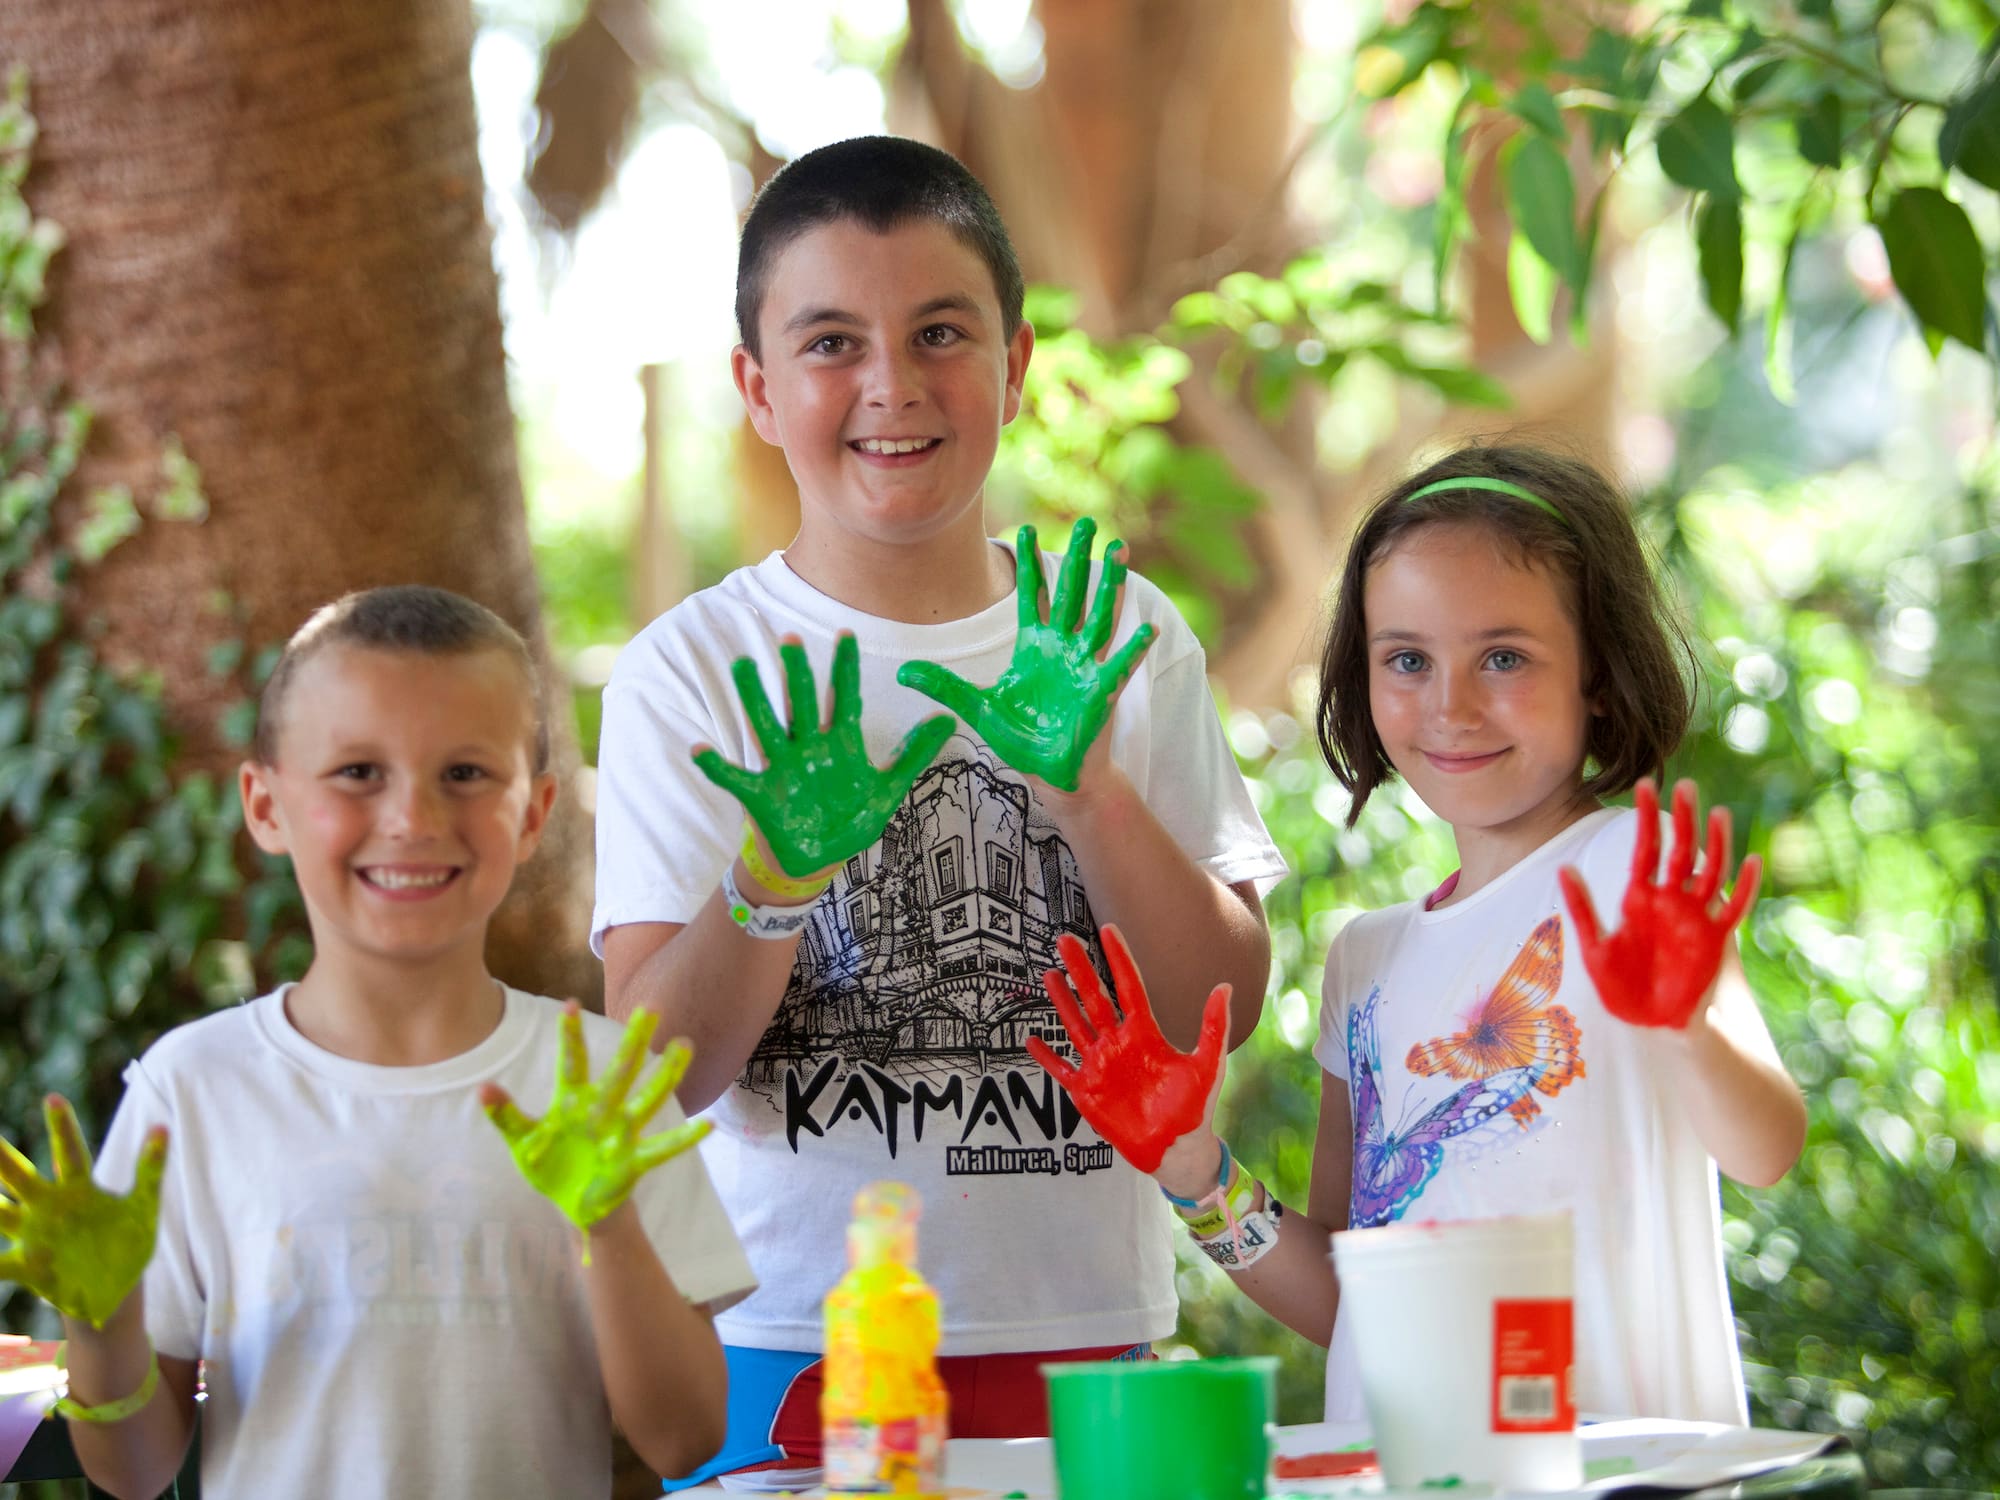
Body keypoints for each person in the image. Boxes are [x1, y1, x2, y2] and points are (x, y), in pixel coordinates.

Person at [592, 135, 1288, 1487]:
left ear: (1015, 364)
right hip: (784, 1350)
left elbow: (1223, 1006)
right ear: (756, 387)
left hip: (1089, 1348)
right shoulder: (692, 670)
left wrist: (1089, 800)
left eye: (939, 333)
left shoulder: (1116, 635)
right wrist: (771, 883)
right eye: (831, 343)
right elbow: (655, 1075)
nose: (891, 386)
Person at [1031, 445, 1807, 1425]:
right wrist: (1192, 1172)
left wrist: (1689, 1026)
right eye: (1407, 660)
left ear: (1599, 675)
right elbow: (1352, 1301)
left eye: (1503, 657)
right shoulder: (1365, 958)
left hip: (1612, 1473)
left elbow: (1765, 1149)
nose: (1450, 705)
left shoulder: (1627, 874)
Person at [0, 586, 756, 1499]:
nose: (412, 818)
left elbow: (683, 1440)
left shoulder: (601, 1086)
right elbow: (130, 1472)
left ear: (534, 812)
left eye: (465, 773)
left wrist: (612, 1227)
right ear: (265, 804)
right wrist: (102, 1322)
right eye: (358, 771)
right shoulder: (192, 1089)